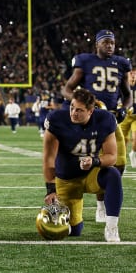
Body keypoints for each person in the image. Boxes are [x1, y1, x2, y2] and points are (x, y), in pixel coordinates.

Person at [61, 29, 132, 222]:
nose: (109, 45)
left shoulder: (121, 64)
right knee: (82, 160)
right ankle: (88, 203)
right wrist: (82, 103)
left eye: (112, 43)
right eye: (106, 42)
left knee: (119, 163)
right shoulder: (85, 61)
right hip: (89, 119)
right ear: (97, 44)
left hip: (109, 119)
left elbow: (127, 94)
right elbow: (67, 89)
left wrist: (124, 108)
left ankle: (102, 201)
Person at [43, 87, 122, 242]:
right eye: (72, 107)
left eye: (79, 110)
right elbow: (48, 158)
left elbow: (112, 156)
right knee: (73, 231)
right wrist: (51, 189)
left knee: (113, 174)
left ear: (91, 111)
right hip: (66, 180)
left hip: (90, 174)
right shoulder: (57, 119)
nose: (73, 113)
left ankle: (112, 227)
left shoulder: (105, 119)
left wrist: (95, 161)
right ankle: (64, 215)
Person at [121, 67, 136, 168]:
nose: (133, 75)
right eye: (131, 73)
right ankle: (122, 160)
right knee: (122, 140)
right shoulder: (122, 85)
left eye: (135, 73)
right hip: (125, 116)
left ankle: (133, 154)